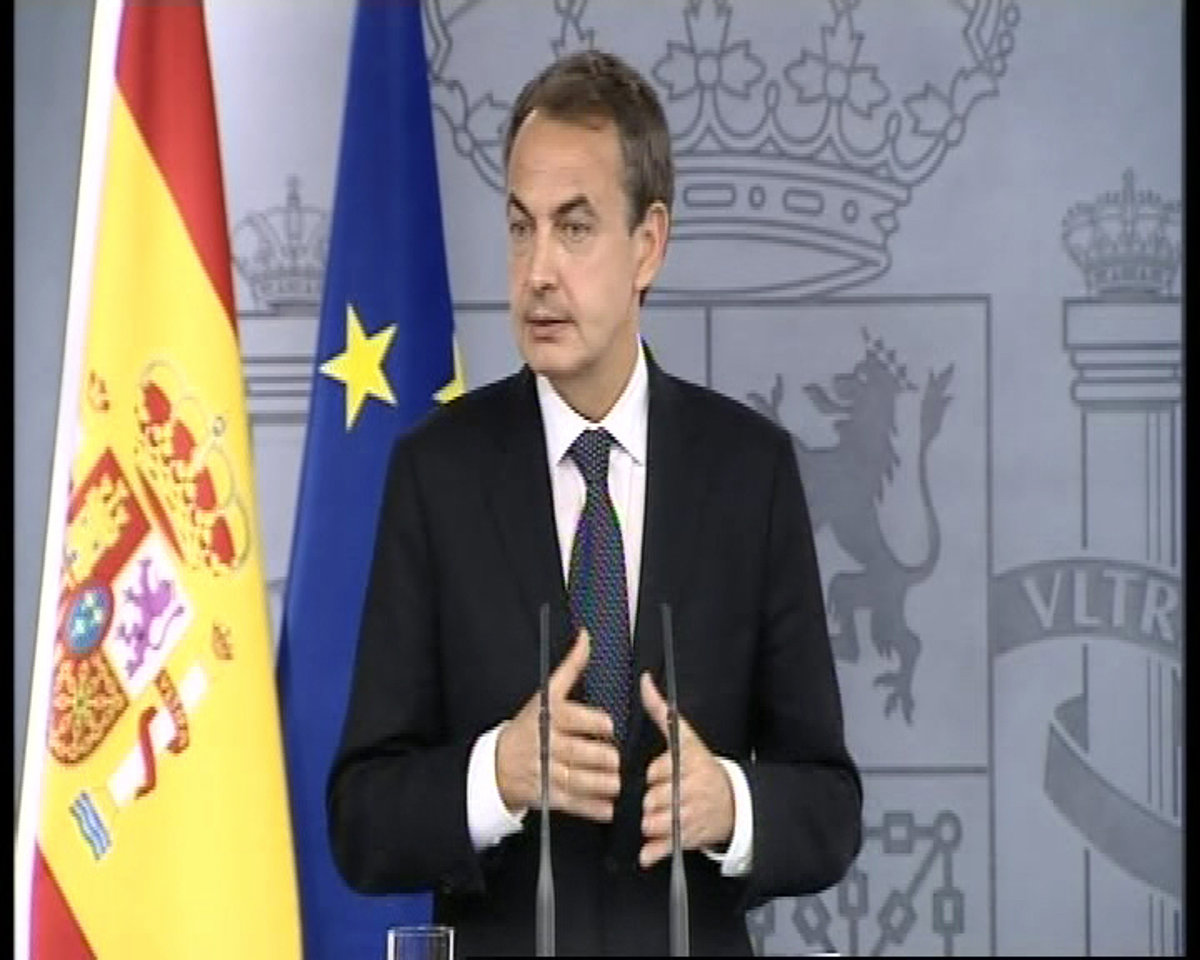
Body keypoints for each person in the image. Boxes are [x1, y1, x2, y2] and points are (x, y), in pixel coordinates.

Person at [327, 49, 862, 957]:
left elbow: (829, 805)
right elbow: (361, 819)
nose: (538, 270)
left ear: (648, 244)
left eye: (574, 228)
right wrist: (494, 775)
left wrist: (730, 802)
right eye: (520, 227)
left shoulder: (750, 472)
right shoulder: (436, 474)